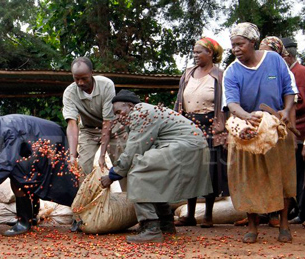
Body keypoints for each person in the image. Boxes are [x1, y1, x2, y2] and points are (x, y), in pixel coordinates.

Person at [100, 90, 212, 243]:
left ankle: (150, 227)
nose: (119, 117)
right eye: (116, 114)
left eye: (120, 112)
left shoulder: (140, 113)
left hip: (185, 148)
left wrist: (113, 175)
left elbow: (134, 149)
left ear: (130, 106)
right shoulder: (145, 111)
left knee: (138, 173)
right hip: (190, 146)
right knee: (153, 176)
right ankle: (165, 223)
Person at [223, 22, 297, 243]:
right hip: (247, 129)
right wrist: (246, 116)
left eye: (240, 44)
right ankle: (253, 227)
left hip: (276, 127)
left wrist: (286, 110)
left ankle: (284, 225)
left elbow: (289, 90)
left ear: (252, 42)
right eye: (233, 45)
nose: (236, 49)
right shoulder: (232, 71)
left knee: (283, 176)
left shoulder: (274, 60)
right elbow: (232, 104)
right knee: (248, 178)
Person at [0, 114, 79, 236]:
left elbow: (4, 167)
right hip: (29, 141)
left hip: (48, 138)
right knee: (25, 176)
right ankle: (31, 217)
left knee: (25, 178)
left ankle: (26, 222)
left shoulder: (8, 133)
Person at [174, 37, 229, 228]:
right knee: (190, 169)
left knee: (209, 169)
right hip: (188, 126)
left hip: (210, 126)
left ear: (211, 53)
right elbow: (180, 100)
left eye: (199, 52)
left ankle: (208, 215)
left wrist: (224, 129)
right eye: (194, 52)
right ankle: (189, 214)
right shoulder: (188, 74)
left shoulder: (220, 76)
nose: (195, 55)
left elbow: (225, 105)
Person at [62, 57, 126, 181]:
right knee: (82, 168)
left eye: (84, 78)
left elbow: (107, 122)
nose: (80, 82)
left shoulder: (106, 85)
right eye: (76, 79)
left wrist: (102, 155)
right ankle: (86, 198)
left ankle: (127, 197)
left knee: (122, 165)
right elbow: (72, 124)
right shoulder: (69, 93)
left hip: (113, 129)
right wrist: (72, 155)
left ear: (92, 73)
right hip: (89, 131)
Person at [282, 37, 305, 227]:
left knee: (299, 176)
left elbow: (301, 102)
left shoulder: (301, 73)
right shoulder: (286, 73)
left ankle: (301, 212)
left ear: (288, 56)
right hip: (287, 132)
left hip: (300, 133)